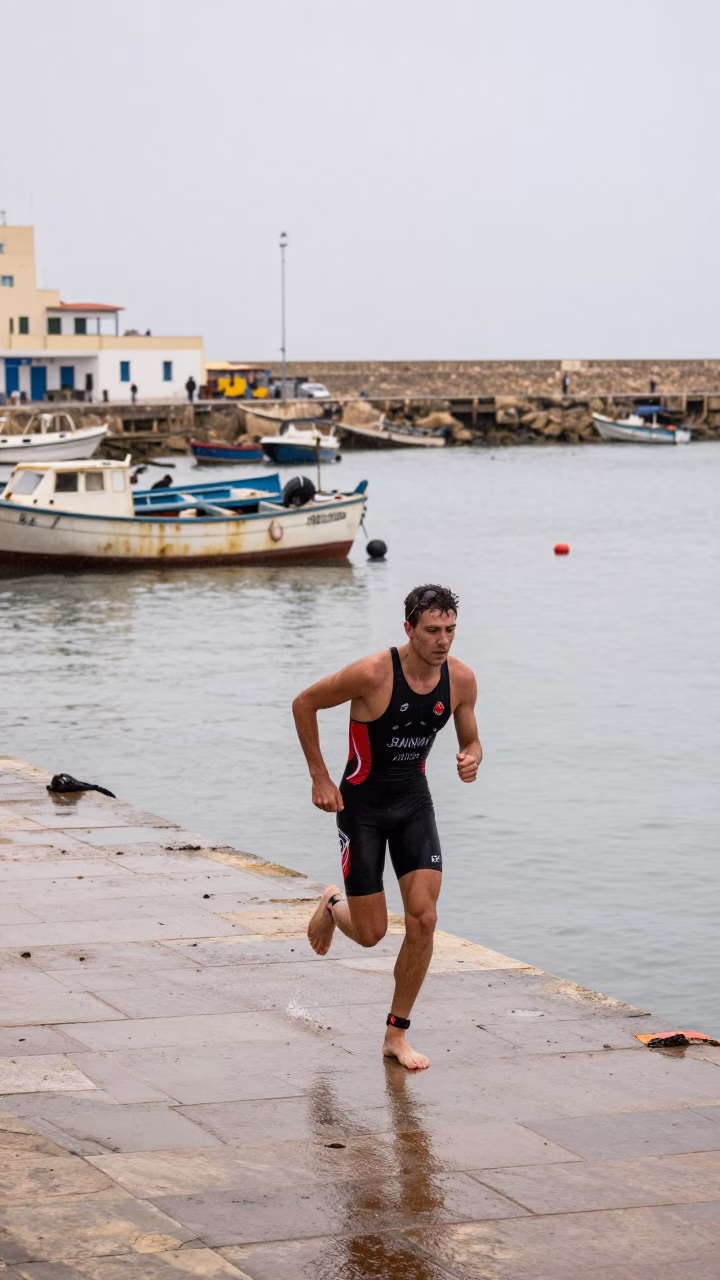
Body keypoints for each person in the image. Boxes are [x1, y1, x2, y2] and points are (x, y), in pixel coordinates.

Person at [292, 584, 482, 1071]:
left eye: (450, 630)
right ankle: (334, 905)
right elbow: (304, 704)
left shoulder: (460, 680)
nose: (443, 641)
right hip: (362, 809)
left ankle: (396, 1035)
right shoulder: (372, 673)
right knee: (373, 933)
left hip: (414, 803)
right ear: (409, 629)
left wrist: (471, 758)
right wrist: (319, 777)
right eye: (433, 631)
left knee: (424, 919)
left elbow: (472, 737)